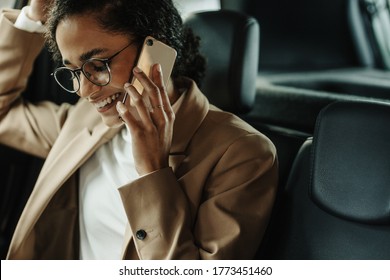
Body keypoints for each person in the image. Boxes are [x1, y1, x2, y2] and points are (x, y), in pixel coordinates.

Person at [0, 0, 278, 260]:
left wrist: (153, 172)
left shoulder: (243, 154)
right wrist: (31, 18)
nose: (84, 91)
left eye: (98, 66)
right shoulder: (86, 121)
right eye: (73, 72)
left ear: (156, 50)